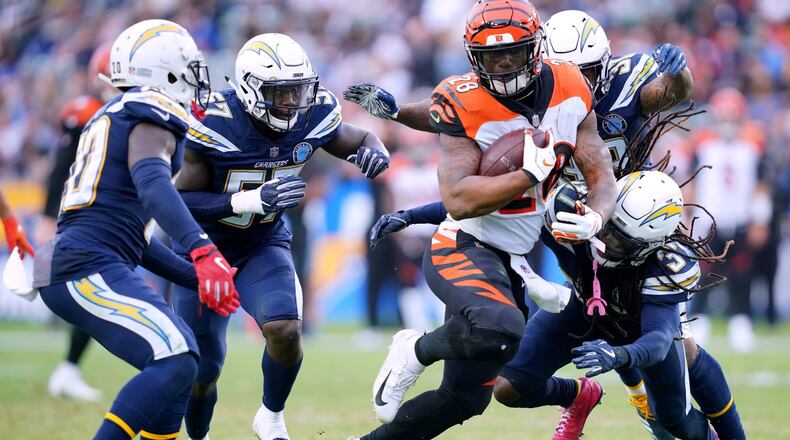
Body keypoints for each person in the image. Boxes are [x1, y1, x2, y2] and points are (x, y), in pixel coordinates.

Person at [351, 10, 744, 440]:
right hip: (566, 218)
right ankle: (601, 390)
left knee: (672, 352)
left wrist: (680, 71)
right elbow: (457, 132)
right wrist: (398, 122)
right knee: (514, 371)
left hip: (628, 221)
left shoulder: (603, 90)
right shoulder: (534, 95)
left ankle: (707, 422)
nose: (578, 78)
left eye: (587, 70)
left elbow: (672, 93)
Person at [351, 1, 618, 438]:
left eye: (514, 51)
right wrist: (527, 175)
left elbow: (600, 169)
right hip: (464, 244)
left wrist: (597, 218)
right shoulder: (464, 98)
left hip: (512, 255)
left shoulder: (571, 85)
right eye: (492, 56)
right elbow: (456, 198)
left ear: (538, 49)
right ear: (473, 57)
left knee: (464, 399)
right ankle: (413, 350)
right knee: (502, 329)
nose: (504, 63)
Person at [173, 33, 390, 440]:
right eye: (281, 92)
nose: (293, 102)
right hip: (202, 246)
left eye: (297, 90)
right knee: (203, 367)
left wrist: (376, 149)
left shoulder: (314, 115)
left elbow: (358, 138)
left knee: (285, 328)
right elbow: (179, 199)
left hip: (261, 242)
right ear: (251, 90)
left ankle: (271, 416)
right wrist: (247, 199)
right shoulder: (216, 122)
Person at [32, 20, 239, 440]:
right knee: (177, 356)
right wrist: (201, 248)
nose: (199, 79)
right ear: (163, 70)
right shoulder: (150, 111)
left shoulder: (118, 113)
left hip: (86, 256)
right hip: (84, 263)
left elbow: (133, 237)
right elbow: (152, 184)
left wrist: (193, 275)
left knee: (183, 365)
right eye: (189, 67)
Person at [43, 42, 114, 403]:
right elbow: (60, 170)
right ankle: (67, 369)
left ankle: (68, 369)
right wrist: (46, 215)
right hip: (78, 216)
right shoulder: (86, 112)